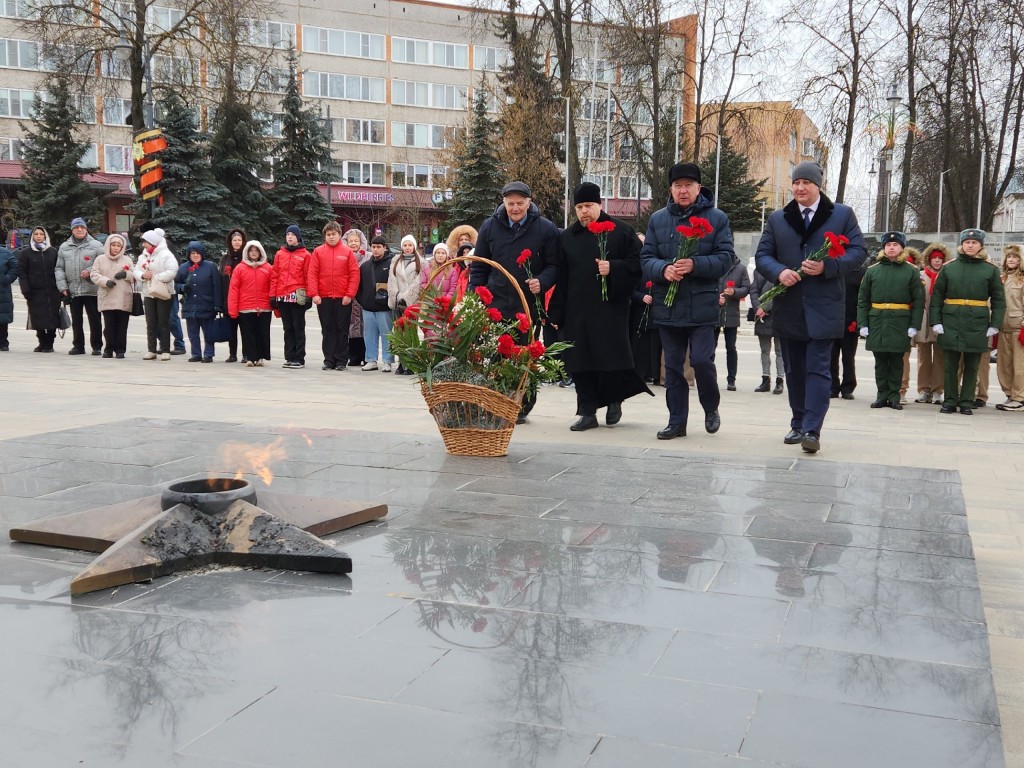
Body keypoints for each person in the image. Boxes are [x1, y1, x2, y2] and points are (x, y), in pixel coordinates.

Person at [753, 160, 867, 453]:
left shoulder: (841, 215)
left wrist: (827, 267)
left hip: (824, 307)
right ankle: (798, 421)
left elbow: (858, 253)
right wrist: (779, 272)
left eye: (806, 183)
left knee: (818, 369)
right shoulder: (779, 218)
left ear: (818, 186)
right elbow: (763, 254)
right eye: (796, 183)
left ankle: (812, 430)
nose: (800, 188)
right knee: (794, 369)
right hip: (790, 306)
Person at [640, 162, 734, 440]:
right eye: (678, 185)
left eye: (688, 186)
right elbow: (646, 259)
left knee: (703, 361)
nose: (683, 191)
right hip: (668, 306)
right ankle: (676, 421)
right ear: (671, 189)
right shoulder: (658, 219)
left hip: (702, 305)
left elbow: (726, 258)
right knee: (672, 367)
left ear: (698, 188)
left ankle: (710, 407)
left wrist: (695, 264)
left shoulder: (717, 218)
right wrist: (663, 270)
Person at [549, 181, 652, 430]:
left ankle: (614, 399)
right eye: (580, 207)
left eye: (589, 206)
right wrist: (557, 310)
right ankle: (587, 412)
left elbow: (639, 264)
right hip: (577, 310)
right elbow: (561, 276)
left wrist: (613, 268)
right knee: (579, 361)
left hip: (610, 309)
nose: (584, 211)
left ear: (600, 204)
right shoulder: (567, 238)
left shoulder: (621, 231)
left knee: (611, 359)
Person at [470, 181, 559, 421]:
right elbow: (479, 266)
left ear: (529, 203)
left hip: (527, 304)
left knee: (524, 354)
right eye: (511, 204)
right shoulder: (489, 227)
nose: (515, 208)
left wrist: (542, 280)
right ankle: (499, 403)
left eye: (520, 203)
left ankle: (522, 405)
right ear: (503, 202)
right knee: (497, 355)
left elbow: (555, 265)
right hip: (496, 303)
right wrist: (474, 297)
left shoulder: (545, 229)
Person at [929, 228, 1005, 415]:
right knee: (950, 364)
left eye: (974, 242)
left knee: (972, 365)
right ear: (961, 244)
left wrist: (994, 324)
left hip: (977, 321)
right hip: (951, 319)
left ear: (981, 245)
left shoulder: (990, 270)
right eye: (967, 242)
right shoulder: (949, 268)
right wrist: (936, 321)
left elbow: (998, 299)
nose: (970, 245)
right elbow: (937, 297)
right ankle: (949, 400)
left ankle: (966, 401)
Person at [855, 231, 925, 411]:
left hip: (900, 321)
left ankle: (894, 396)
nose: (891, 248)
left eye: (895, 245)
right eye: (888, 245)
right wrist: (863, 324)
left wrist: (914, 325)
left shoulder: (911, 271)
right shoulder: (873, 271)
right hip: (877, 320)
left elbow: (918, 301)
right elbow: (863, 299)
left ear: (902, 248)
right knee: (880, 361)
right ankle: (881, 395)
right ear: (883, 248)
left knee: (896, 361)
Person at [308, 221, 360, 371]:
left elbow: (354, 274)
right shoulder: (318, 252)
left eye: (334, 234)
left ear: (339, 235)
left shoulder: (347, 252)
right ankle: (329, 360)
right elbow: (312, 274)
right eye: (328, 235)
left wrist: (349, 294)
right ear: (325, 236)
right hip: (323, 298)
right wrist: (314, 294)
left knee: (342, 330)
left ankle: (341, 360)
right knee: (327, 329)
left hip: (342, 298)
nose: (331, 237)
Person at [55, 216, 104, 355]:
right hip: (73, 290)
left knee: (95, 319)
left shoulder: (96, 245)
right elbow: (59, 268)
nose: (80, 229)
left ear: (86, 229)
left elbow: (103, 265)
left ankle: (97, 346)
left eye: (82, 227)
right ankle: (78, 346)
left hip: (92, 289)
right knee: (76, 320)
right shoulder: (64, 247)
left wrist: (89, 272)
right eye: (76, 227)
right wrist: (63, 287)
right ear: (72, 230)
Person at [913, 243, 951, 404]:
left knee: (940, 357)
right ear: (929, 259)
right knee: (923, 357)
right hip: (923, 317)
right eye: (934, 258)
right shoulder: (921, 275)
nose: (937, 261)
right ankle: (924, 389)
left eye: (940, 258)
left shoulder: (948, 274)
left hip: (941, 318)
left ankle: (937, 390)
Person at [271, 224, 312, 369]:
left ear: (298, 237)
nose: (290, 237)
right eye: (288, 235)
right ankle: (289, 356)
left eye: (293, 235)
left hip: (298, 295)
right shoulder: (280, 254)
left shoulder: (305, 255)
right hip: (282, 295)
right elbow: (275, 275)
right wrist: (273, 295)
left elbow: (308, 276)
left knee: (298, 327)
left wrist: (309, 296)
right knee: (287, 328)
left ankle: (299, 358)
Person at [134, 227, 178, 361]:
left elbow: (172, 270)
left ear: (153, 242)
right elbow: (136, 271)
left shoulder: (166, 254)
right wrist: (142, 275)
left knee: (163, 322)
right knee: (150, 322)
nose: (143, 245)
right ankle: (151, 350)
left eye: (145, 242)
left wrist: (155, 277)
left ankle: (165, 350)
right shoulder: (143, 256)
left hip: (163, 292)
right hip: (148, 293)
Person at [228, 240, 273, 367]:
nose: (253, 253)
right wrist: (233, 309)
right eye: (251, 251)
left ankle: (260, 357)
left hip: (264, 308)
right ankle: (250, 357)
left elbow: (273, 286)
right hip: (246, 307)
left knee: (262, 333)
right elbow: (233, 289)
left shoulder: (268, 268)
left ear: (260, 252)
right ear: (247, 253)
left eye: (256, 250)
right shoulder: (240, 268)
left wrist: (274, 304)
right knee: (248, 334)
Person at [176, 241, 223, 363]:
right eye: (192, 253)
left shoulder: (210, 266)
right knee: (192, 333)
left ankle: (208, 354)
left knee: (208, 332)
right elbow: (175, 284)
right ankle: (196, 353)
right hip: (190, 305)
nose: (195, 256)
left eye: (197, 253)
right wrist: (182, 287)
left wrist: (218, 305)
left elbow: (216, 286)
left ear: (202, 254)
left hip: (206, 305)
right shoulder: (184, 267)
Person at [89, 233, 135, 358]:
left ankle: (120, 350)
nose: (115, 248)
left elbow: (135, 275)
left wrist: (126, 275)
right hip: (107, 296)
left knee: (122, 326)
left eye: (118, 246)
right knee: (109, 327)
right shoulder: (100, 259)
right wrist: (105, 281)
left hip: (123, 298)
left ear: (122, 247)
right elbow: (94, 274)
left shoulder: (127, 260)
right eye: (113, 245)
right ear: (108, 245)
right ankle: (108, 349)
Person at [16, 227, 61, 352]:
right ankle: (42, 342)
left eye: (41, 234)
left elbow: (59, 270)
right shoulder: (26, 253)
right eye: (36, 234)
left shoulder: (53, 251)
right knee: (37, 318)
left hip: (52, 291)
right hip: (34, 292)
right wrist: (25, 289)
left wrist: (62, 288)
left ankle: (50, 343)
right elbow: (22, 272)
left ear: (45, 236)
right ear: (32, 236)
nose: (39, 236)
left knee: (52, 317)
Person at [356, 235, 396, 372]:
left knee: (387, 335)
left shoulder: (391, 265)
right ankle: (371, 359)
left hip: (385, 308)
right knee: (369, 335)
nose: (376, 250)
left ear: (385, 248)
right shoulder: (365, 266)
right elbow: (358, 287)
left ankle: (387, 361)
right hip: (368, 308)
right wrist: (363, 301)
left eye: (379, 247)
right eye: (373, 247)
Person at [388, 234, 425, 375]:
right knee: (398, 333)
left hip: (411, 303)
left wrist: (406, 297)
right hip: (397, 302)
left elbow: (418, 283)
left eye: (410, 245)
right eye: (405, 245)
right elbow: (392, 280)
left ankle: (411, 363)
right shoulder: (396, 261)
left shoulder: (421, 262)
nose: (407, 248)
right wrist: (397, 295)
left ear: (414, 246)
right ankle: (401, 363)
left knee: (410, 333)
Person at [829, 258, 865, 400]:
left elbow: (862, 299)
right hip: (831, 320)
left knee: (848, 357)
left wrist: (859, 321)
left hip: (850, 322)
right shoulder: (831, 271)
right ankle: (832, 387)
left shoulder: (859, 272)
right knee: (831, 357)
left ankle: (848, 387)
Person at [715, 254, 751, 391]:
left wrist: (734, 291)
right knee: (710, 347)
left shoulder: (740, 268)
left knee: (731, 348)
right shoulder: (716, 265)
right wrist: (716, 297)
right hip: (715, 313)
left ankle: (731, 380)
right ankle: (709, 378)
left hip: (732, 313)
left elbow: (747, 288)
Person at [995, 243, 1024, 410]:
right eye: (1009, 257)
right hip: (1003, 327)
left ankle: (1019, 398)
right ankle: (1010, 394)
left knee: (1019, 365)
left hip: (1018, 328)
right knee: (1003, 365)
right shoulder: (1002, 278)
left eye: (1015, 257)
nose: (1011, 260)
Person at [749, 271, 785, 394]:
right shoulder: (759, 271)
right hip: (762, 318)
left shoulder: (782, 269)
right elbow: (753, 290)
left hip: (779, 315)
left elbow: (781, 292)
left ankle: (780, 380)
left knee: (780, 352)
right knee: (764, 351)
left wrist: (765, 307)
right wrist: (757, 307)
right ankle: (765, 379)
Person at [343, 228, 370, 368]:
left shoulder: (368, 256)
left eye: (356, 241)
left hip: (364, 296)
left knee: (366, 326)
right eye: (350, 241)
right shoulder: (344, 256)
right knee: (352, 326)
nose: (353, 244)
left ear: (362, 242)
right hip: (349, 297)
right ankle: (353, 356)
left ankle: (367, 356)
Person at [220, 227, 247, 362]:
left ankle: (246, 354)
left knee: (245, 329)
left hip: (243, 300)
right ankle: (232, 354)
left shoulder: (246, 258)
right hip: (228, 299)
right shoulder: (225, 259)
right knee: (231, 329)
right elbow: (221, 279)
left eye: (239, 240)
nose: (237, 242)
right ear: (230, 242)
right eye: (234, 240)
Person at [0, 245, 15, 351]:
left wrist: (7, 278)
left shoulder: (5, 253)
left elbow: (14, 267)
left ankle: (3, 342)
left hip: (2, 290)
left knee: (2, 318)